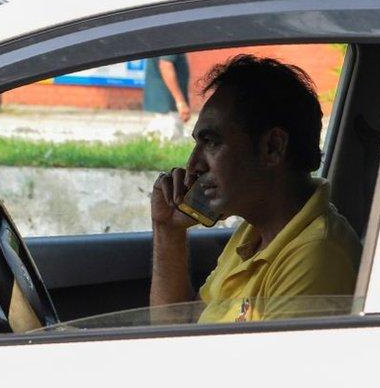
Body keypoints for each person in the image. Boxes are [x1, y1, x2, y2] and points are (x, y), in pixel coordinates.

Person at [150, 55, 361, 323]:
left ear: (272, 148)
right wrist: (167, 229)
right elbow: (176, 331)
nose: (193, 166)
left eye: (211, 142)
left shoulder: (316, 255)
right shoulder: (252, 236)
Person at [143, 54, 191, 140]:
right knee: (168, 140)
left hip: (165, 104)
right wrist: (180, 102)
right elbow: (166, 65)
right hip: (167, 107)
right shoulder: (172, 40)